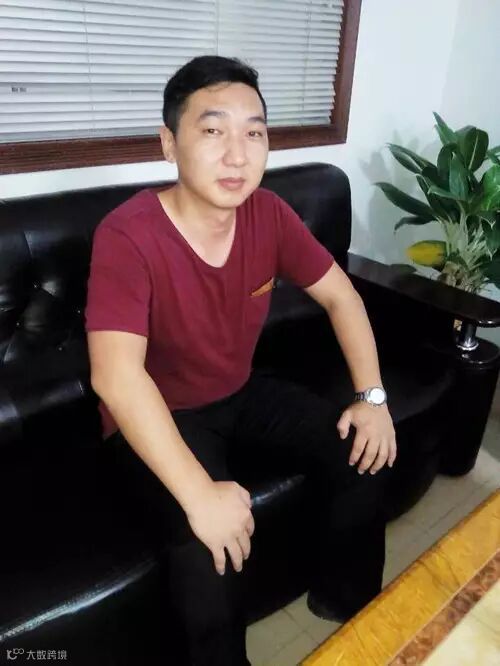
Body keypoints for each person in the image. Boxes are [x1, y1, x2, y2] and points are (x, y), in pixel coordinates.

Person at [84, 55, 397, 666]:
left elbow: (342, 297)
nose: (237, 154)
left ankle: (352, 611)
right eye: (213, 130)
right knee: (208, 550)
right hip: (156, 417)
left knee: (364, 451)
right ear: (169, 143)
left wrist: (372, 398)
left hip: (239, 391)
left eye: (254, 133)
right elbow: (116, 376)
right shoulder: (127, 234)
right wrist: (199, 494)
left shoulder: (268, 213)